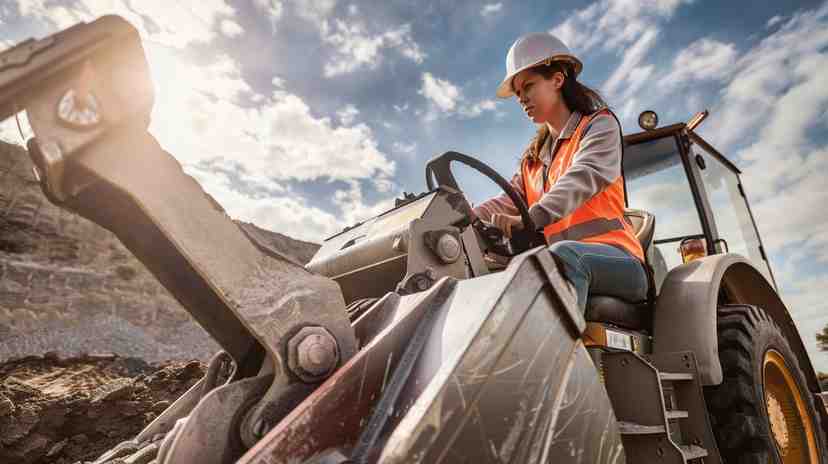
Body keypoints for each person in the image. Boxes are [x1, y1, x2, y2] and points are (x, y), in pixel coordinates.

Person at [473, 32, 649, 313]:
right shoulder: (532, 161)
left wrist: (530, 217)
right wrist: (461, 214)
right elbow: (505, 200)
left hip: (620, 260)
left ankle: (558, 356)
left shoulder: (598, 127)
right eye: (518, 93)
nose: (522, 98)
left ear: (557, 79)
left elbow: (582, 177)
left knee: (562, 257)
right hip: (561, 260)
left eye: (528, 86)